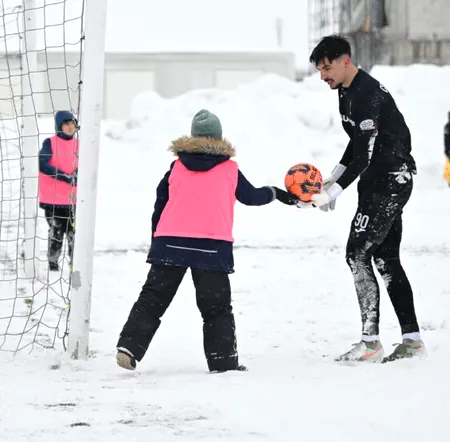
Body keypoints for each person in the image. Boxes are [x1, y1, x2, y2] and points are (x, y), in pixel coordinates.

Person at [115, 109, 300, 373]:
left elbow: (160, 203)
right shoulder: (229, 169)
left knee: (153, 298)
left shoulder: (176, 167)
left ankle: (129, 347)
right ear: (219, 137)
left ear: (193, 137)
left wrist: (157, 239)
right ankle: (223, 361)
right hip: (211, 248)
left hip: (171, 244)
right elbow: (251, 197)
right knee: (216, 307)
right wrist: (275, 193)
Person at [305, 35, 425, 363]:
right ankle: (412, 342)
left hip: (389, 180)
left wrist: (333, 192)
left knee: (357, 255)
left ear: (346, 60)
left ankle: (370, 342)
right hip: (380, 181)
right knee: (385, 259)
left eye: (327, 68)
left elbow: (365, 153)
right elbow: (355, 143)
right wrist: (333, 176)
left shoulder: (367, 94)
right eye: (319, 70)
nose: (322, 76)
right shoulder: (345, 91)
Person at [38, 110, 78, 271]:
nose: (70, 127)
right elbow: (42, 164)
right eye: (66, 124)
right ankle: (53, 264)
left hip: (73, 200)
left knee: (74, 234)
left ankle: (74, 263)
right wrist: (65, 176)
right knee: (56, 232)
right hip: (53, 200)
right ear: (59, 126)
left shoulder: (80, 144)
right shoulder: (50, 143)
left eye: (72, 123)